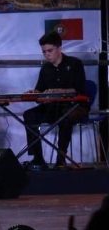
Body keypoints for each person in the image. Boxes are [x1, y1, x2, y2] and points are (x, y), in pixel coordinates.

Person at [23, 31, 89, 170]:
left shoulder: (75, 63)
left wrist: (58, 91)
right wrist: (36, 95)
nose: (47, 54)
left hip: (74, 107)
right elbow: (39, 93)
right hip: (52, 108)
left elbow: (79, 90)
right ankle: (38, 159)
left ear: (59, 48)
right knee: (29, 115)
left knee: (66, 116)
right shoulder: (45, 68)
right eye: (44, 52)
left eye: (50, 50)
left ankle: (61, 159)